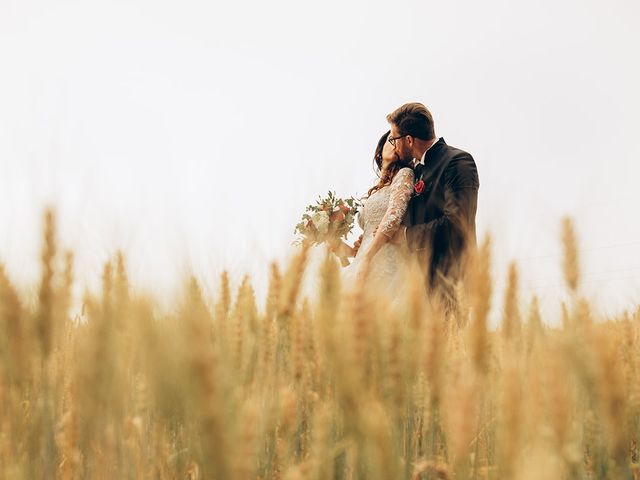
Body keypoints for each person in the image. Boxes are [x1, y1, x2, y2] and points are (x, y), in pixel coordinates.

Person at [384, 102, 479, 307]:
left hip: (452, 283)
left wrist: (407, 235)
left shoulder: (458, 162)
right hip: (416, 289)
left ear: (408, 140)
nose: (393, 145)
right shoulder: (412, 173)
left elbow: (456, 225)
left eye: (394, 139)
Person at [341, 131, 414, 293]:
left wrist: (367, 258)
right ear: (380, 150)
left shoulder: (405, 174)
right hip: (366, 257)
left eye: (399, 141)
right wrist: (341, 246)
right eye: (391, 140)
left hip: (386, 259)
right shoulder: (375, 191)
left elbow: (394, 216)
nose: (396, 144)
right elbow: (368, 236)